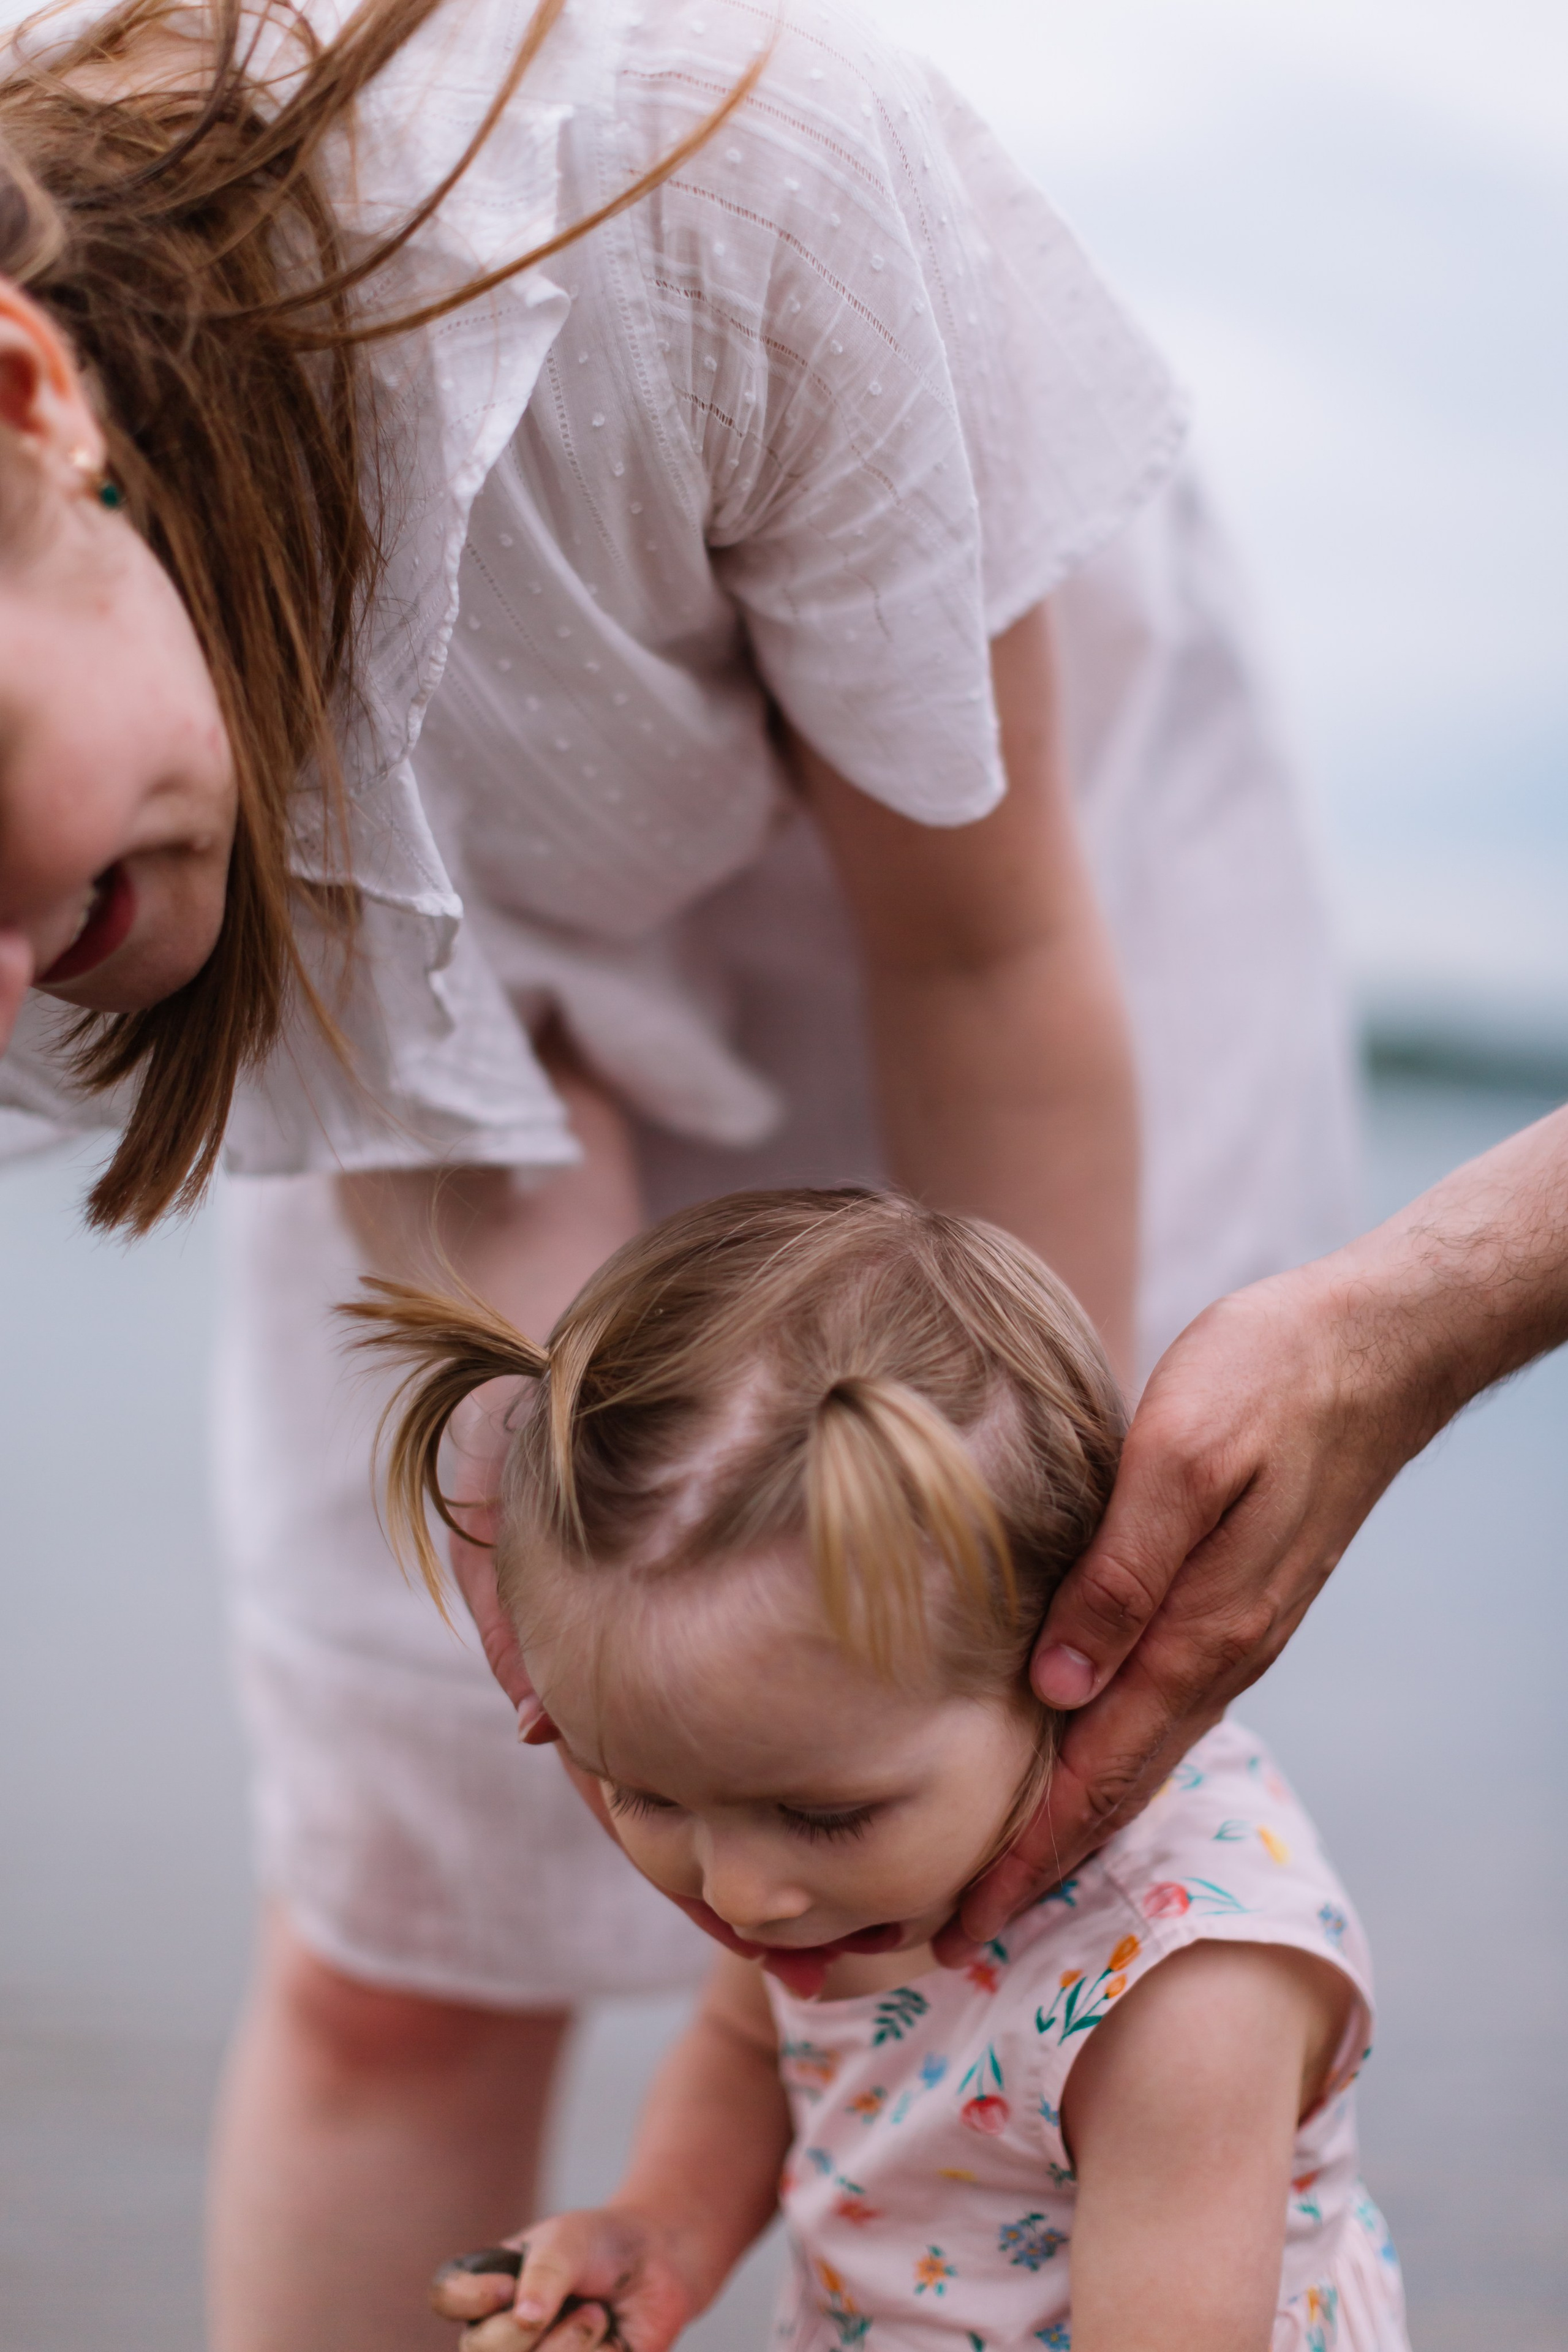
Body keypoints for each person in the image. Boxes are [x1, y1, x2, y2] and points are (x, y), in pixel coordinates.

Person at [0, 0, 1356, 2343]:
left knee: (966, 1799)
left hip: (955, 904)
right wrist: (579, 1534)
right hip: (407, 990)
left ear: (25, 401)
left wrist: (1029, 1598)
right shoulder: (116, 831)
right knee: (413, 1929)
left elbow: (988, 961)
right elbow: (439, 1110)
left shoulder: (704, 185)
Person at [358, 1186, 1409, 2352]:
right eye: (644, 1790)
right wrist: (664, 2233)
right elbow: (755, 2044)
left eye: (823, 1814)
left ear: (1070, 1658)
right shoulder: (841, 1874)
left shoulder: (1176, 2002)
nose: (741, 1896)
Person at [943, 1098, 1568, 1962]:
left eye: (824, 1816)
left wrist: (1371, 1342)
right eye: (677, 1797)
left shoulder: (1177, 1974)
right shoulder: (823, 1819)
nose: (741, 1893)